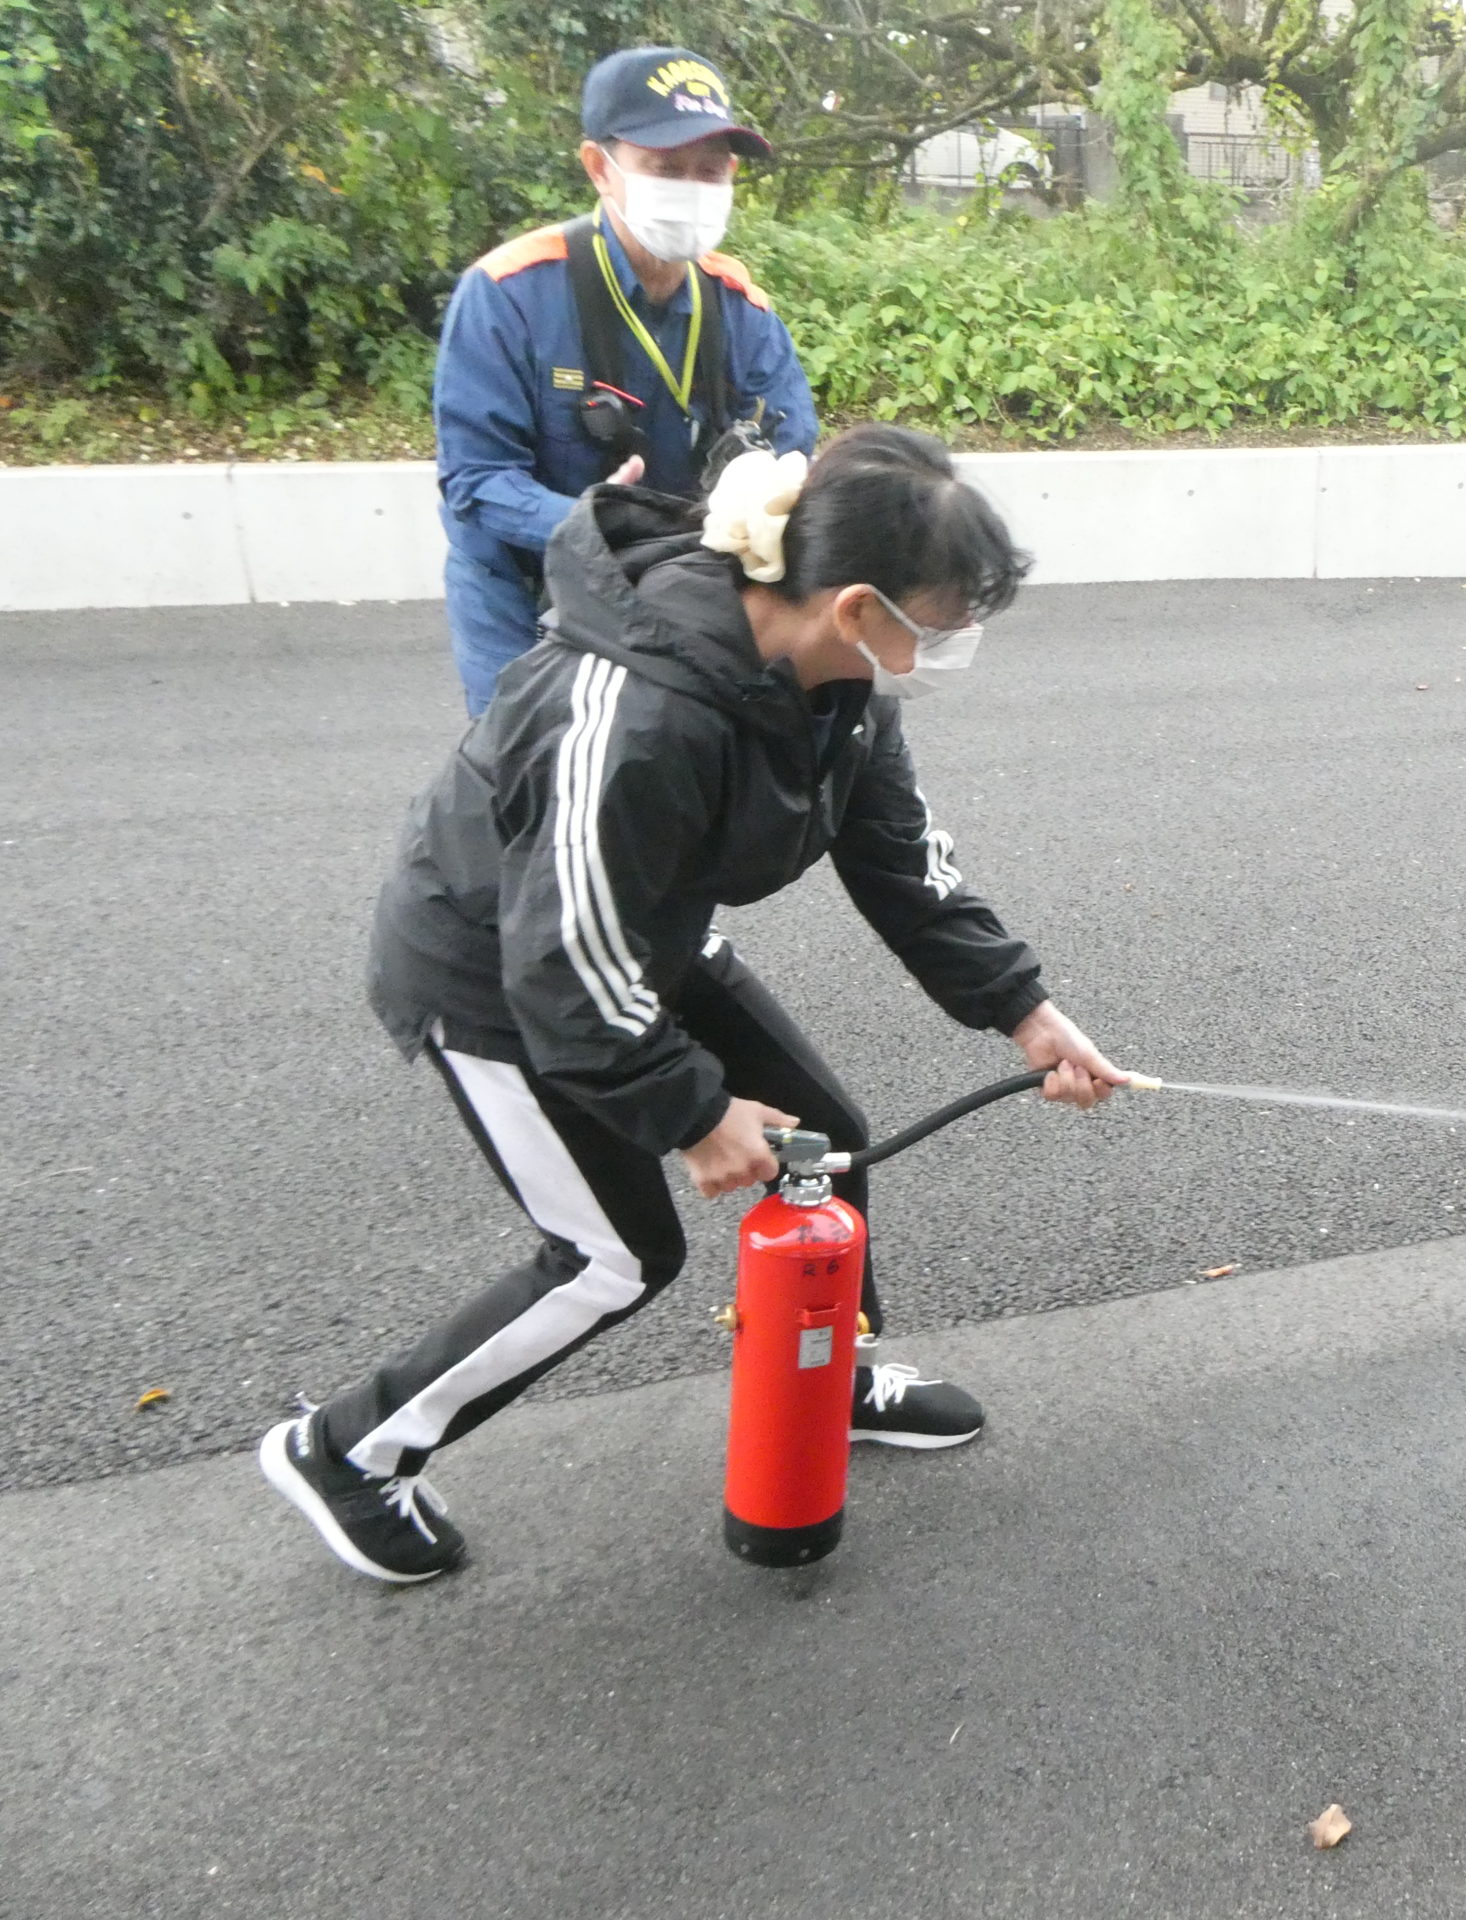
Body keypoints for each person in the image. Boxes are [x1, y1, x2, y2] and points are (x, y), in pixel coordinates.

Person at [262, 426, 1126, 1584]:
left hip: (634, 931)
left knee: (829, 1144)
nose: (950, 646)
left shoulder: (844, 693)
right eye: (944, 622)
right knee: (611, 1258)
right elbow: (559, 957)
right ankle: (350, 1450)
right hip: (494, 974)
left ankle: (830, 1370)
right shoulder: (630, 706)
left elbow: (905, 868)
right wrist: (692, 1111)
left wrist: (1027, 1011)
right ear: (857, 606)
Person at [434, 45, 819, 715]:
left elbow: (793, 457)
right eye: (666, 169)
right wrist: (601, 522)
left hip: (675, 589)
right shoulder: (506, 294)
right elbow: (476, 482)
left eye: (711, 171)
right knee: (532, 781)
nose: (692, 190)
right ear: (599, 169)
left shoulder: (742, 309)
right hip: (529, 599)